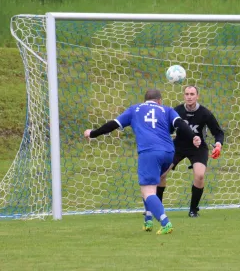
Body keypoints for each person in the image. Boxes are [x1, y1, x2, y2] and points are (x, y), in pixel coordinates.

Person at [83, 89, 196, 235]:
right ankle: (148, 220)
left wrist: (92, 133)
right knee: (150, 186)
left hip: (149, 152)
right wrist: (193, 136)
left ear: (145, 101)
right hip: (169, 153)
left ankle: (165, 223)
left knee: (147, 190)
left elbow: (113, 124)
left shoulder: (135, 109)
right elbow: (181, 123)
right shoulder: (166, 109)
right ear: (159, 101)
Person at [157, 85, 224, 217]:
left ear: (197, 96)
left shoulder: (205, 113)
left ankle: (193, 210)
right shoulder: (177, 111)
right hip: (178, 146)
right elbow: (168, 129)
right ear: (184, 96)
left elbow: (218, 132)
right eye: (187, 94)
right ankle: (157, 208)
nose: (189, 96)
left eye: (192, 94)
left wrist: (218, 145)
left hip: (198, 148)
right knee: (161, 174)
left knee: (199, 176)